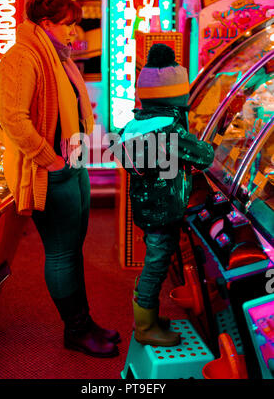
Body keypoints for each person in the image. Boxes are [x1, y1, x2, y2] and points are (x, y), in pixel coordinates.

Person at [0, 0, 119, 358]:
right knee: (63, 253)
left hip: (73, 163)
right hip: (53, 169)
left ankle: (83, 321)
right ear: (46, 23)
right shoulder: (24, 55)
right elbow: (14, 119)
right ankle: (77, 330)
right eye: (67, 23)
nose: (73, 30)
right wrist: (51, 160)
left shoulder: (56, 53)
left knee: (74, 249)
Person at [114, 44, 214, 347]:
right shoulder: (172, 129)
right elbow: (204, 156)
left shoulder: (135, 125)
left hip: (146, 210)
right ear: (177, 96)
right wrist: (206, 145)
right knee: (156, 265)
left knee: (154, 261)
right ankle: (145, 327)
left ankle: (151, 319)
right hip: (166, 211)